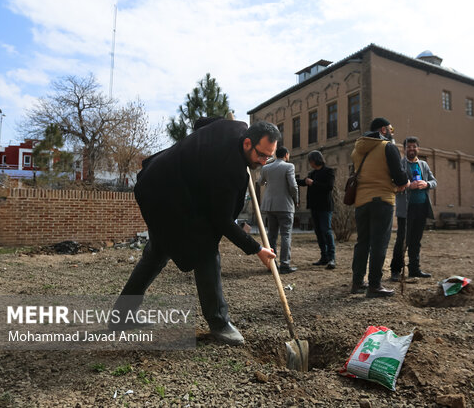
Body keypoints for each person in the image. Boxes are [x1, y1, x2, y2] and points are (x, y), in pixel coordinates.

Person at [111, 118, 279, 346]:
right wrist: (256, 248)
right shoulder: (229, 170)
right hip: (164, 193)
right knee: (206, 250)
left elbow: (201, 123)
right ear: (247, 143)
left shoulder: (237, 126)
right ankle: (219, 323)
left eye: (269, 156)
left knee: (158, 251)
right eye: (261, 155)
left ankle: (121, 314)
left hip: (167, 182)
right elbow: (221, 221)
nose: (264, 161)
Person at [350, 118, 408, 297]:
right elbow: (399, 177)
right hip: (382, 200)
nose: (392, 132)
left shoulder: (357, 149)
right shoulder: (387, 147)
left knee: (363, 242)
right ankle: (375, 285)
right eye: (391, 129)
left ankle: (358, 283)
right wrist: (405, 181)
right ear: (383, 129)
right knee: (379, 243)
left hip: (361, 201)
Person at [389, 136, 437, 281]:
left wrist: (426, 184)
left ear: (418, 149)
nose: (411, 149)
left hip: (422, 207)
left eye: (414, 146)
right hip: (406, 209)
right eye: (408, 147)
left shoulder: (424, 165)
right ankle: (395, 271)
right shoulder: (400, 164)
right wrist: (409, 185)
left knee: (416, 240)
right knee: (402, 240)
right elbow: (394, 184)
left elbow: (434, 181)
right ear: (404, 149)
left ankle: (414, 269)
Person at [258, 146, 299, 274]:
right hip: (285, 205)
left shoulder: (266, 167)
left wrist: (269, 183)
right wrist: (296, 199)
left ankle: (272, 263)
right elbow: (293, 185)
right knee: (286, 235)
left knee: (272, 235)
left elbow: (260, 182)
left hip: (270, 205)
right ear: (286, 155)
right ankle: (285, 264)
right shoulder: (289, 166)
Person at [297, 150, 337, 269]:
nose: (310, 163)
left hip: (325, 207)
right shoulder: (312, 173)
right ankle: (323, 257)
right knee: (319, 232)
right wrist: (290, 179)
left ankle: (332, 258)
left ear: (315, 160)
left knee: (326, 230)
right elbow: (304, 182)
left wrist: (313, 183)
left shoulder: (329, 171)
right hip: (314, 207)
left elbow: (329, 187)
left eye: (310, 161)